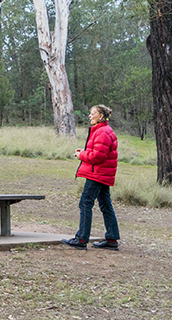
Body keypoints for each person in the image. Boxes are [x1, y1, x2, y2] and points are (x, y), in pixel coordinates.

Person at [63, 105, 121, 251]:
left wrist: (80, 155)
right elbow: (98, 151)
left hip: (97, 174)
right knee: (105, 205)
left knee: (85, 203)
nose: (90, 116)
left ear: (101, 116)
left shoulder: (103, 132)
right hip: (101, 174)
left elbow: (98, 157)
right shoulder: (103, 131)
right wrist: (84, 151)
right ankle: (112, 239)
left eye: (92, 113)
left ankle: (81, 239)